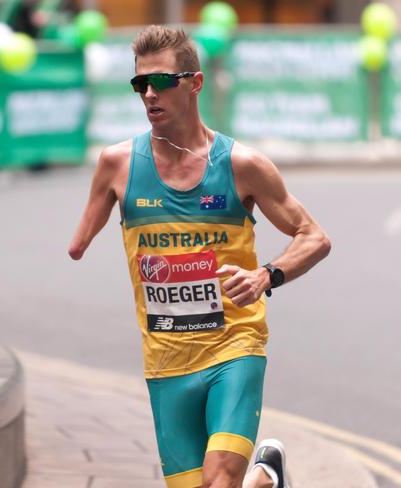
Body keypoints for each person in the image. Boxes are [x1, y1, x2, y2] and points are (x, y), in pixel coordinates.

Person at [69, 25, 331, 488]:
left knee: (218, 482)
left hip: (234, 346)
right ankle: (267, 478)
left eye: (163, 82)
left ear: (195, 83)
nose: (150, 94)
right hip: (165, 361)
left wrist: (265, 276)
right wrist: (87, 236)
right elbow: (78, 242)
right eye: (139, 84)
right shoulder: (118, 164)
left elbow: (313, 237)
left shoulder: (240, 165)